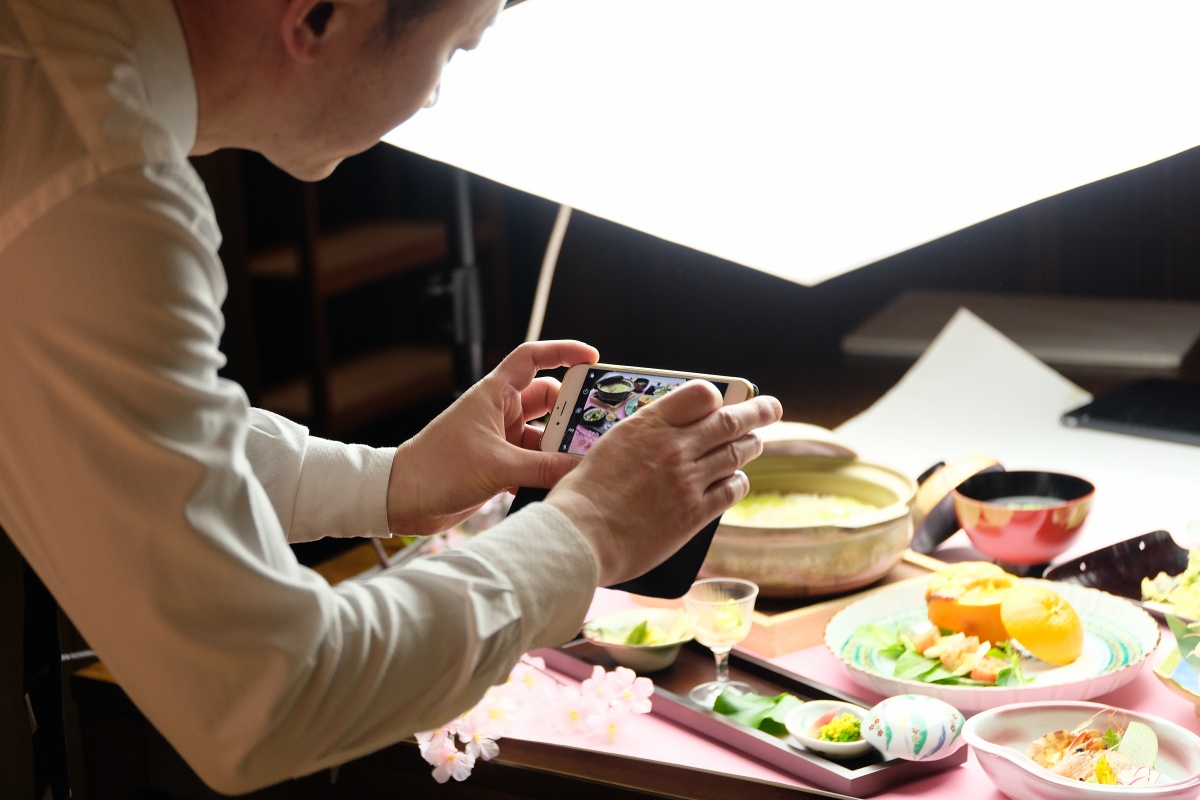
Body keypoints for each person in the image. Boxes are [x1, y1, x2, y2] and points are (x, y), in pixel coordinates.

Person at [0, 0, 782, 795]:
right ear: (320, 15)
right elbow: (269, 696)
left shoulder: (56, 88)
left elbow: (152, 435)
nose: (434, 95)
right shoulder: (99, 184)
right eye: (454, 50)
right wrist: (590, 531)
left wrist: (392, 482)